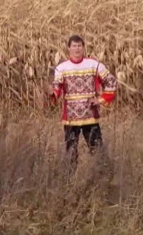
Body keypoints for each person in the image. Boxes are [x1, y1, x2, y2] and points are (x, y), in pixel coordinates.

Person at [50, 35, 118, 166]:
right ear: (69, 48)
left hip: (90, 115)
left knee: (97, 150)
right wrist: (51, 93)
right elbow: (56, 90)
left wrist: (101, 99)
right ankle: (71, 183)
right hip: (70, 117)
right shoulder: (61, 68)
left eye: (79, 46)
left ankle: (103, 178)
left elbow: (111, 82)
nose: (77, 49)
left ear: (83, 47)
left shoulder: (94, 65)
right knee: (71, 153)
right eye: (74, 46)